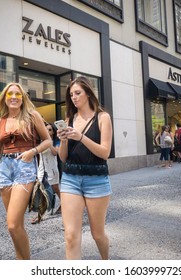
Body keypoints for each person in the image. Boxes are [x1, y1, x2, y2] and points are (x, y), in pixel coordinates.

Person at [0, 82, 51, 259]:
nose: (13, 97)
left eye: (17, 94)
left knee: (12, 224)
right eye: (10, 94)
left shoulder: (32, 116)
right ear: (4, 99)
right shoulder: (0, 121)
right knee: (17, 224)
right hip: (5, 168)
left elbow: (48, 141)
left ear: (22, 98)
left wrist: (32, 151)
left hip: (25, 166)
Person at [57, 76, 113, 260]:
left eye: (78, 93)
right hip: (70, 178)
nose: (73, 97)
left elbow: (105, 153)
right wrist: (63, 140)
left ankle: (106, 260)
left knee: (97, 234)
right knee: (71, 236)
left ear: (88, 93)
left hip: (96, 179)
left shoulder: (103, 117)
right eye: (71, 94)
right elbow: (63, 157)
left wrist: (81, 137)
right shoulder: (69, 119)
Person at [31, 122, 61, 224]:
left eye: (50, 130)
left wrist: (49, 142)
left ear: (53, 132)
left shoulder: (56, 142)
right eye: (46, 130)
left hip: (52, 170)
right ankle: (40, 214)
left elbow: (55, 152)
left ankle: (64, 204)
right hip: (41, 171)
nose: (47, 131)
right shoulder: (40, 142)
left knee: (56, 189)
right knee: (42, 191)